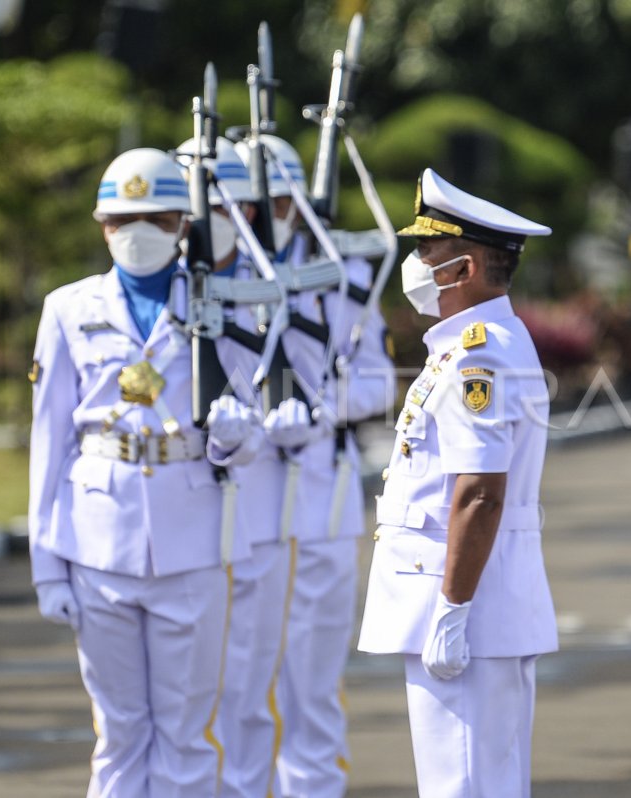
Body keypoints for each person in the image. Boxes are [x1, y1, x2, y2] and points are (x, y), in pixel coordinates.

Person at [28, 147, 260, 796]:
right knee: (120, 734)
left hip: (190, 541)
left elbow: (246, 427)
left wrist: (233, 439)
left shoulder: (221, 305)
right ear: (101, 224)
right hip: (98, 544)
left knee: (187, 735)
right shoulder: (67, 308)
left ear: (184, 224)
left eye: (156, 218)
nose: (135, 234)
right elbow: (49, 442)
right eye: (119, 220)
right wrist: (47, 565)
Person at [357, 168, 558, 797]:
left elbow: (479, 491)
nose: (415, 263)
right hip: (470, 600)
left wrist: (452, 609)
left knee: (465, 784)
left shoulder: (480, 353)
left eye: (427, 252)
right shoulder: (468, 345)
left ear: (464, 269)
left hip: (468, 606)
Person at [243, 134, 397, 797]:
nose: (262, 215)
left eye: (274, 202)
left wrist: (320, 406)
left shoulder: (348, 272)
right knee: (237, 675)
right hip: (238, 495)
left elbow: (379, 383)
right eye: (249, 204)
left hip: (319, 493)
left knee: (311, 678)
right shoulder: (218, 273)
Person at [176, 135, 311, 798]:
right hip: (179, 530)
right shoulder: (154, 299)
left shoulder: (265, 287)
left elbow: (299, 381)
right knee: (182, 708)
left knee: (250, 696)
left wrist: (296, 418)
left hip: (259, 518)